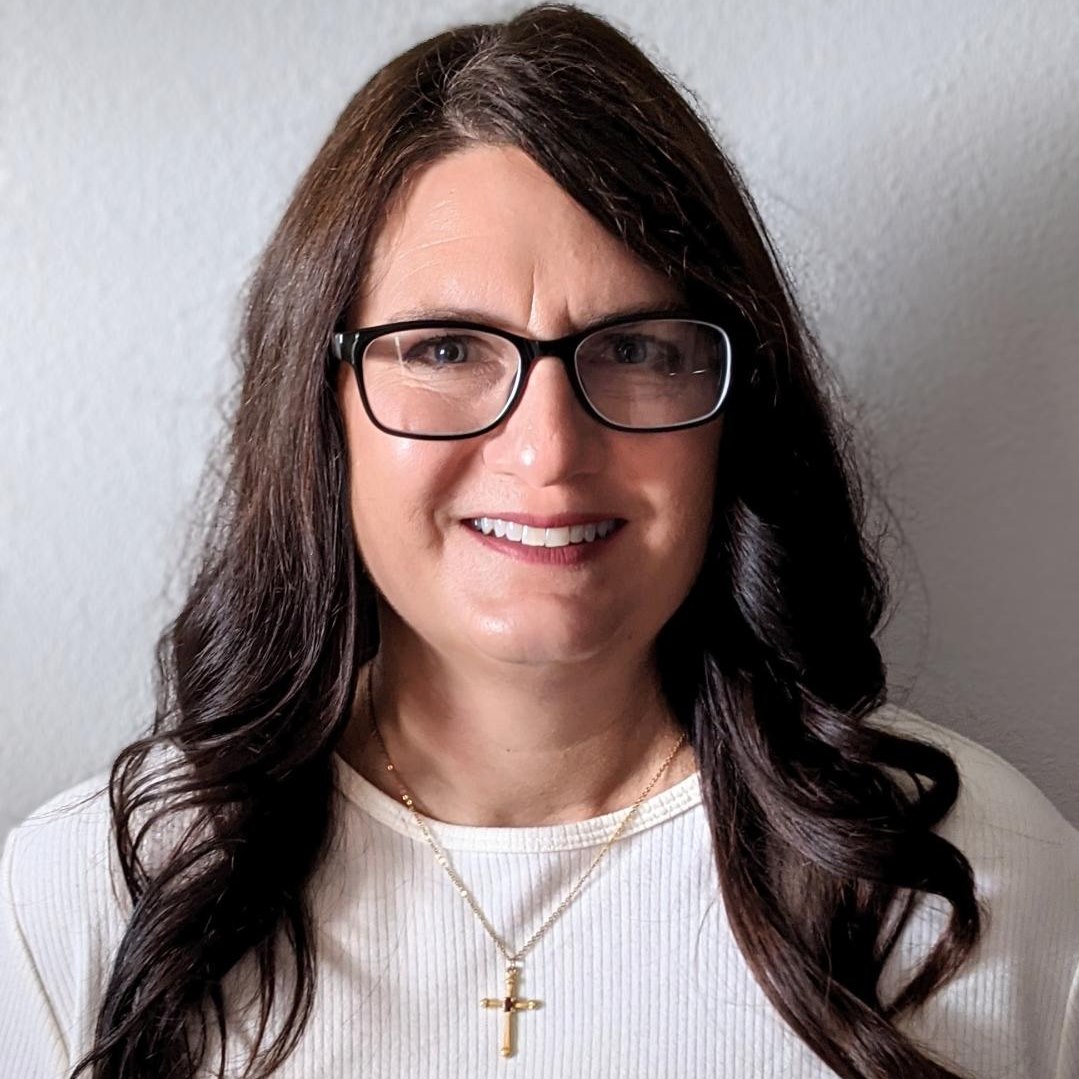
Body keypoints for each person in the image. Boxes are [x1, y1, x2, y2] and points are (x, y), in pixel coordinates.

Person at [2, 4, 1077, 1078]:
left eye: (637, 347)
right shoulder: (87, 903)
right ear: (317, 407)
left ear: (730, 406)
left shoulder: (976, 885)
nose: (548, 449)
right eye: (445, 346)